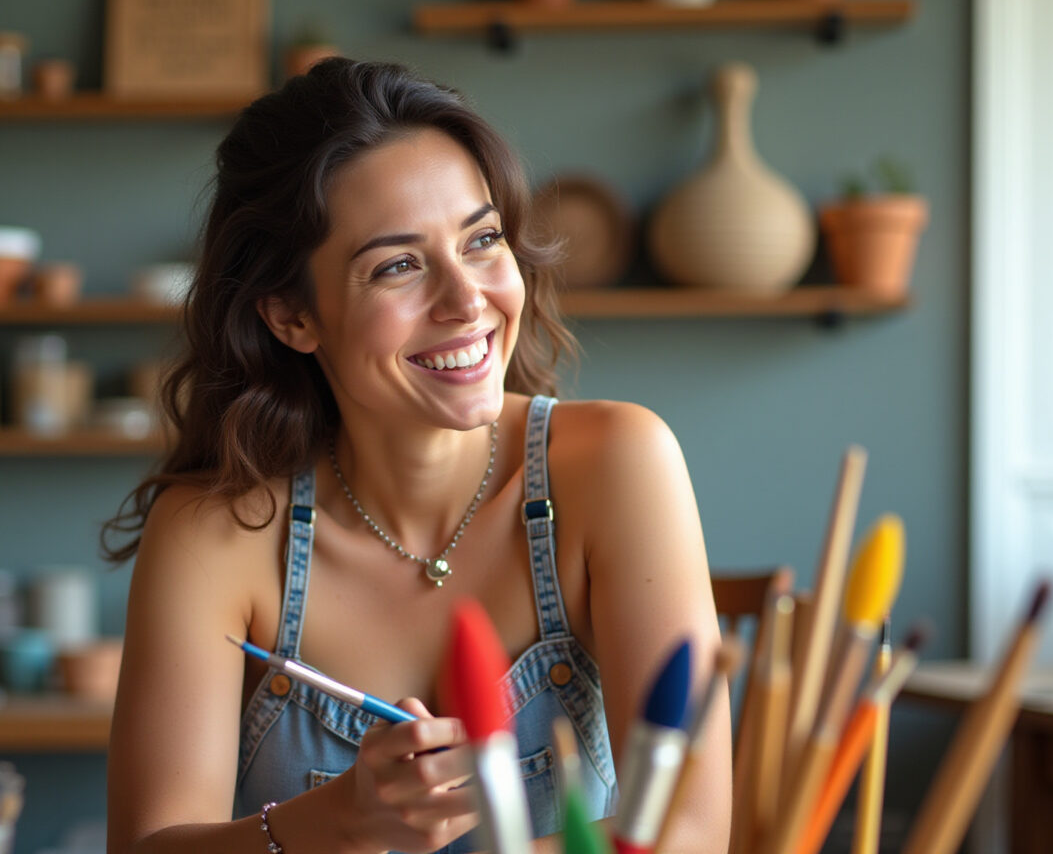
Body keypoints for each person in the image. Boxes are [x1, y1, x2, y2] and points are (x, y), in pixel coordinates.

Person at [104, 58, 729, 854]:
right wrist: (337, 821)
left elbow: (693, 831)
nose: (467, 300)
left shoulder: (618, 463)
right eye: (398, 265)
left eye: (482, 240)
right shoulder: (213, 532)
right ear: (293, 315)